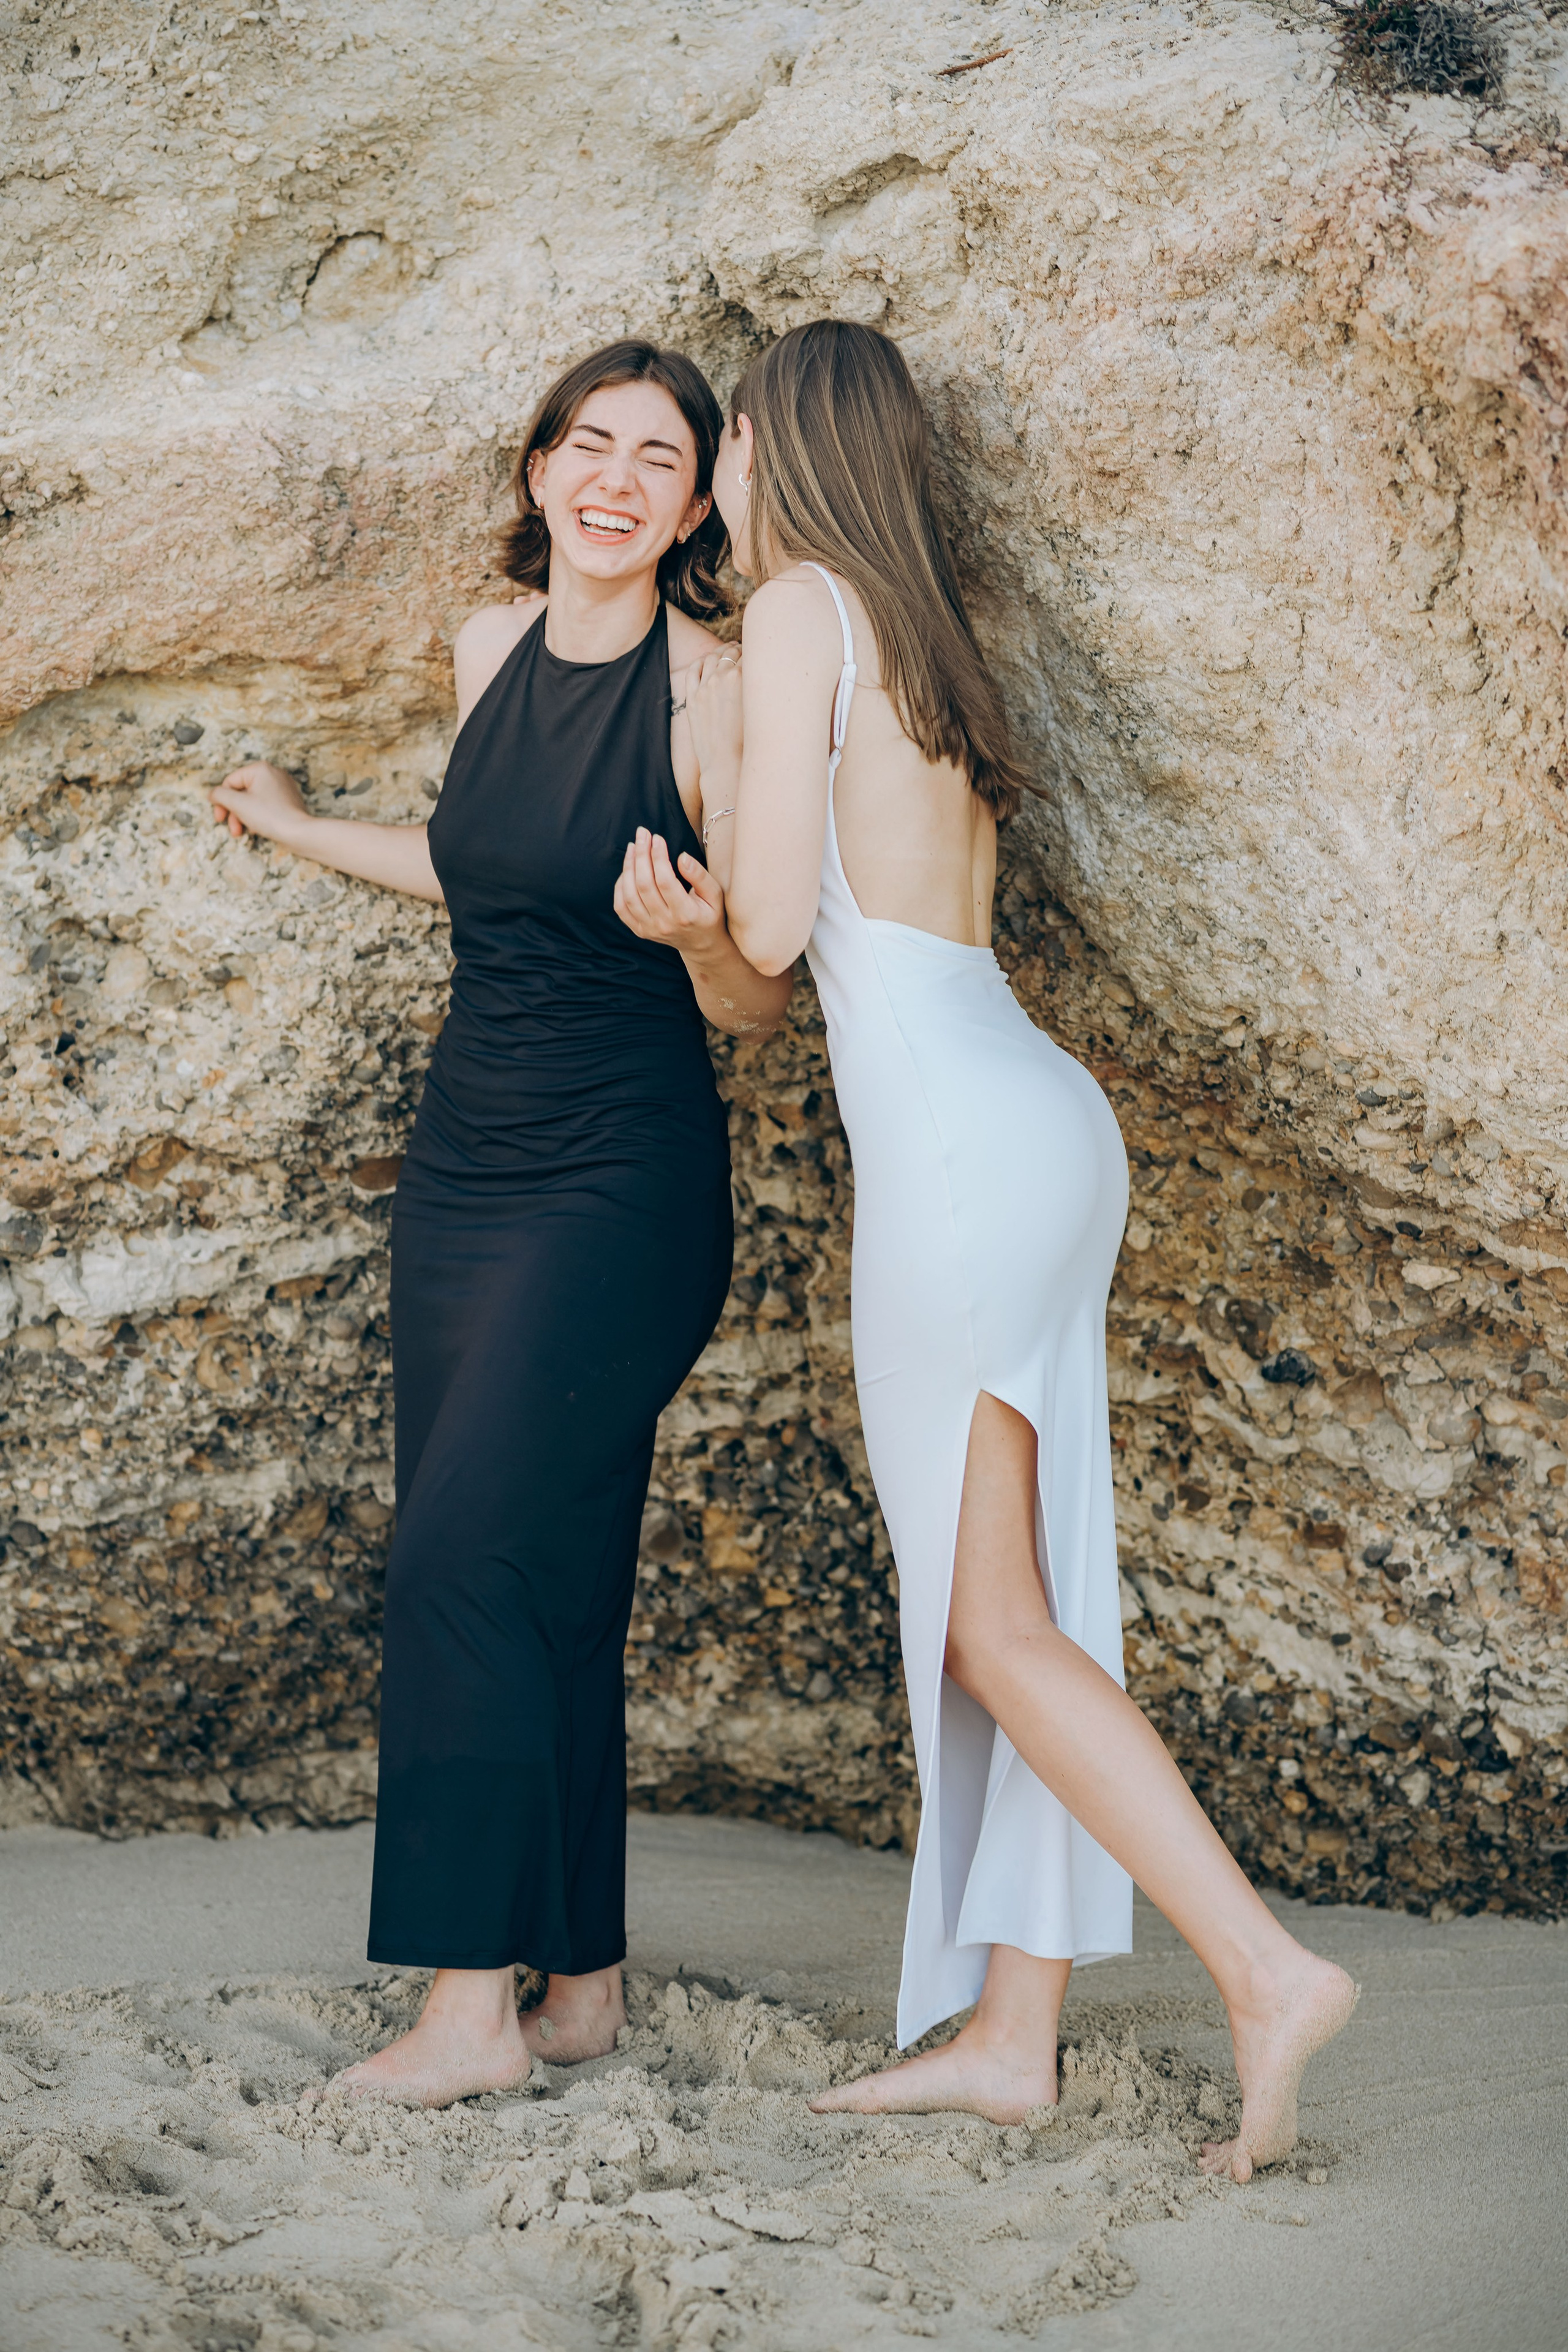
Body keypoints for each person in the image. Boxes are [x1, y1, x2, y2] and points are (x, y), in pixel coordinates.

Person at [636, 318, 1356, 2182]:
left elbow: (773, 943)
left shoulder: (799, 611)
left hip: (955, 1150)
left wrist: (703, 798)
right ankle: (1015, 2038)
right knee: (1036, 1603)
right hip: (1037, 1114)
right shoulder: (922, 633)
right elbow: (810, 960)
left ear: (781, 449)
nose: (709, 474)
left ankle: (1265, 1968)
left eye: (723, 442)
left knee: (993, 1623)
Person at [211, 339, 790, 2107]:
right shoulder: (487, 648)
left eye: (660, 457)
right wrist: (303, 833)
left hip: (621, 1185)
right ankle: (584, 1990)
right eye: (588, 444)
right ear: (540, 472)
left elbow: (762, 990)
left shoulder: (720, 693)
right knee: (548, 1581)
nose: (617, 478)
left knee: (457, 1561)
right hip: (465, 1171)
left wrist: (693, 932)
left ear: (695, 507)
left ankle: (471, 2017)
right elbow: (485, 865)